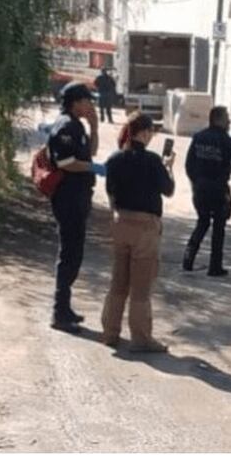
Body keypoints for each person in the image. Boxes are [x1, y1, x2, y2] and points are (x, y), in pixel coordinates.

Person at [101, 113, 176, 352]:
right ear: (143, 133)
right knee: (141, 287)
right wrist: (168, 168)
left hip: (121, 221)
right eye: (151, 131)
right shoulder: (153, 161)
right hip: (145, 226)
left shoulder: (114, 159)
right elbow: (168, 190)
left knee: (118, 282)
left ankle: (110, 331)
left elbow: (110, 192)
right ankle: (141, 337)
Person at [46, 82, 101, 333]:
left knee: (75, 252)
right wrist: (93, 168)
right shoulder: (66, 126)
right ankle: (59, 312)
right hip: (68, 197)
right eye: (88, 101)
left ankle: (65, 307)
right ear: (76, 102)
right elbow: (66, 162)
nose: (91, 105)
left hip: (78, 196)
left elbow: (90, 152)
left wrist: (95, 128)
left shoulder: (77, 125)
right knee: (69, 253)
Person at [182, 106, 231, 276]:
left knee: (203, 222)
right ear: (218, 119)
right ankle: (215, 267)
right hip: (218, 188)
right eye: (226, 118)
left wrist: (196, 182)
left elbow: (188, 164)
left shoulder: (199, 137)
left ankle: (188, 259)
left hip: (200, 188)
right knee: (218, 227)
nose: (229, 121)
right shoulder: (225, 140)